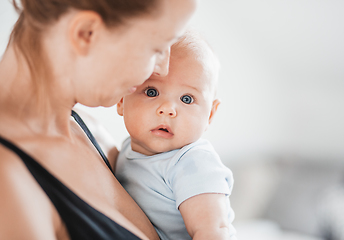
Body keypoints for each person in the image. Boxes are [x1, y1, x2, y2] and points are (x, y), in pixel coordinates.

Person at [0, 0, 197, 239]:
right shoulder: (7, 181)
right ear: (86, 33)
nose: (162, 69)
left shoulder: (93, 133)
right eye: (156, 48)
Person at [115, 31, 237, 240]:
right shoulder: (127, 148)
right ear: (121, 99)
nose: (168, 109)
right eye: (151, 92)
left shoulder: (193, 163)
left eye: (187, 99)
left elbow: (213, 232)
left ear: (210, 114)